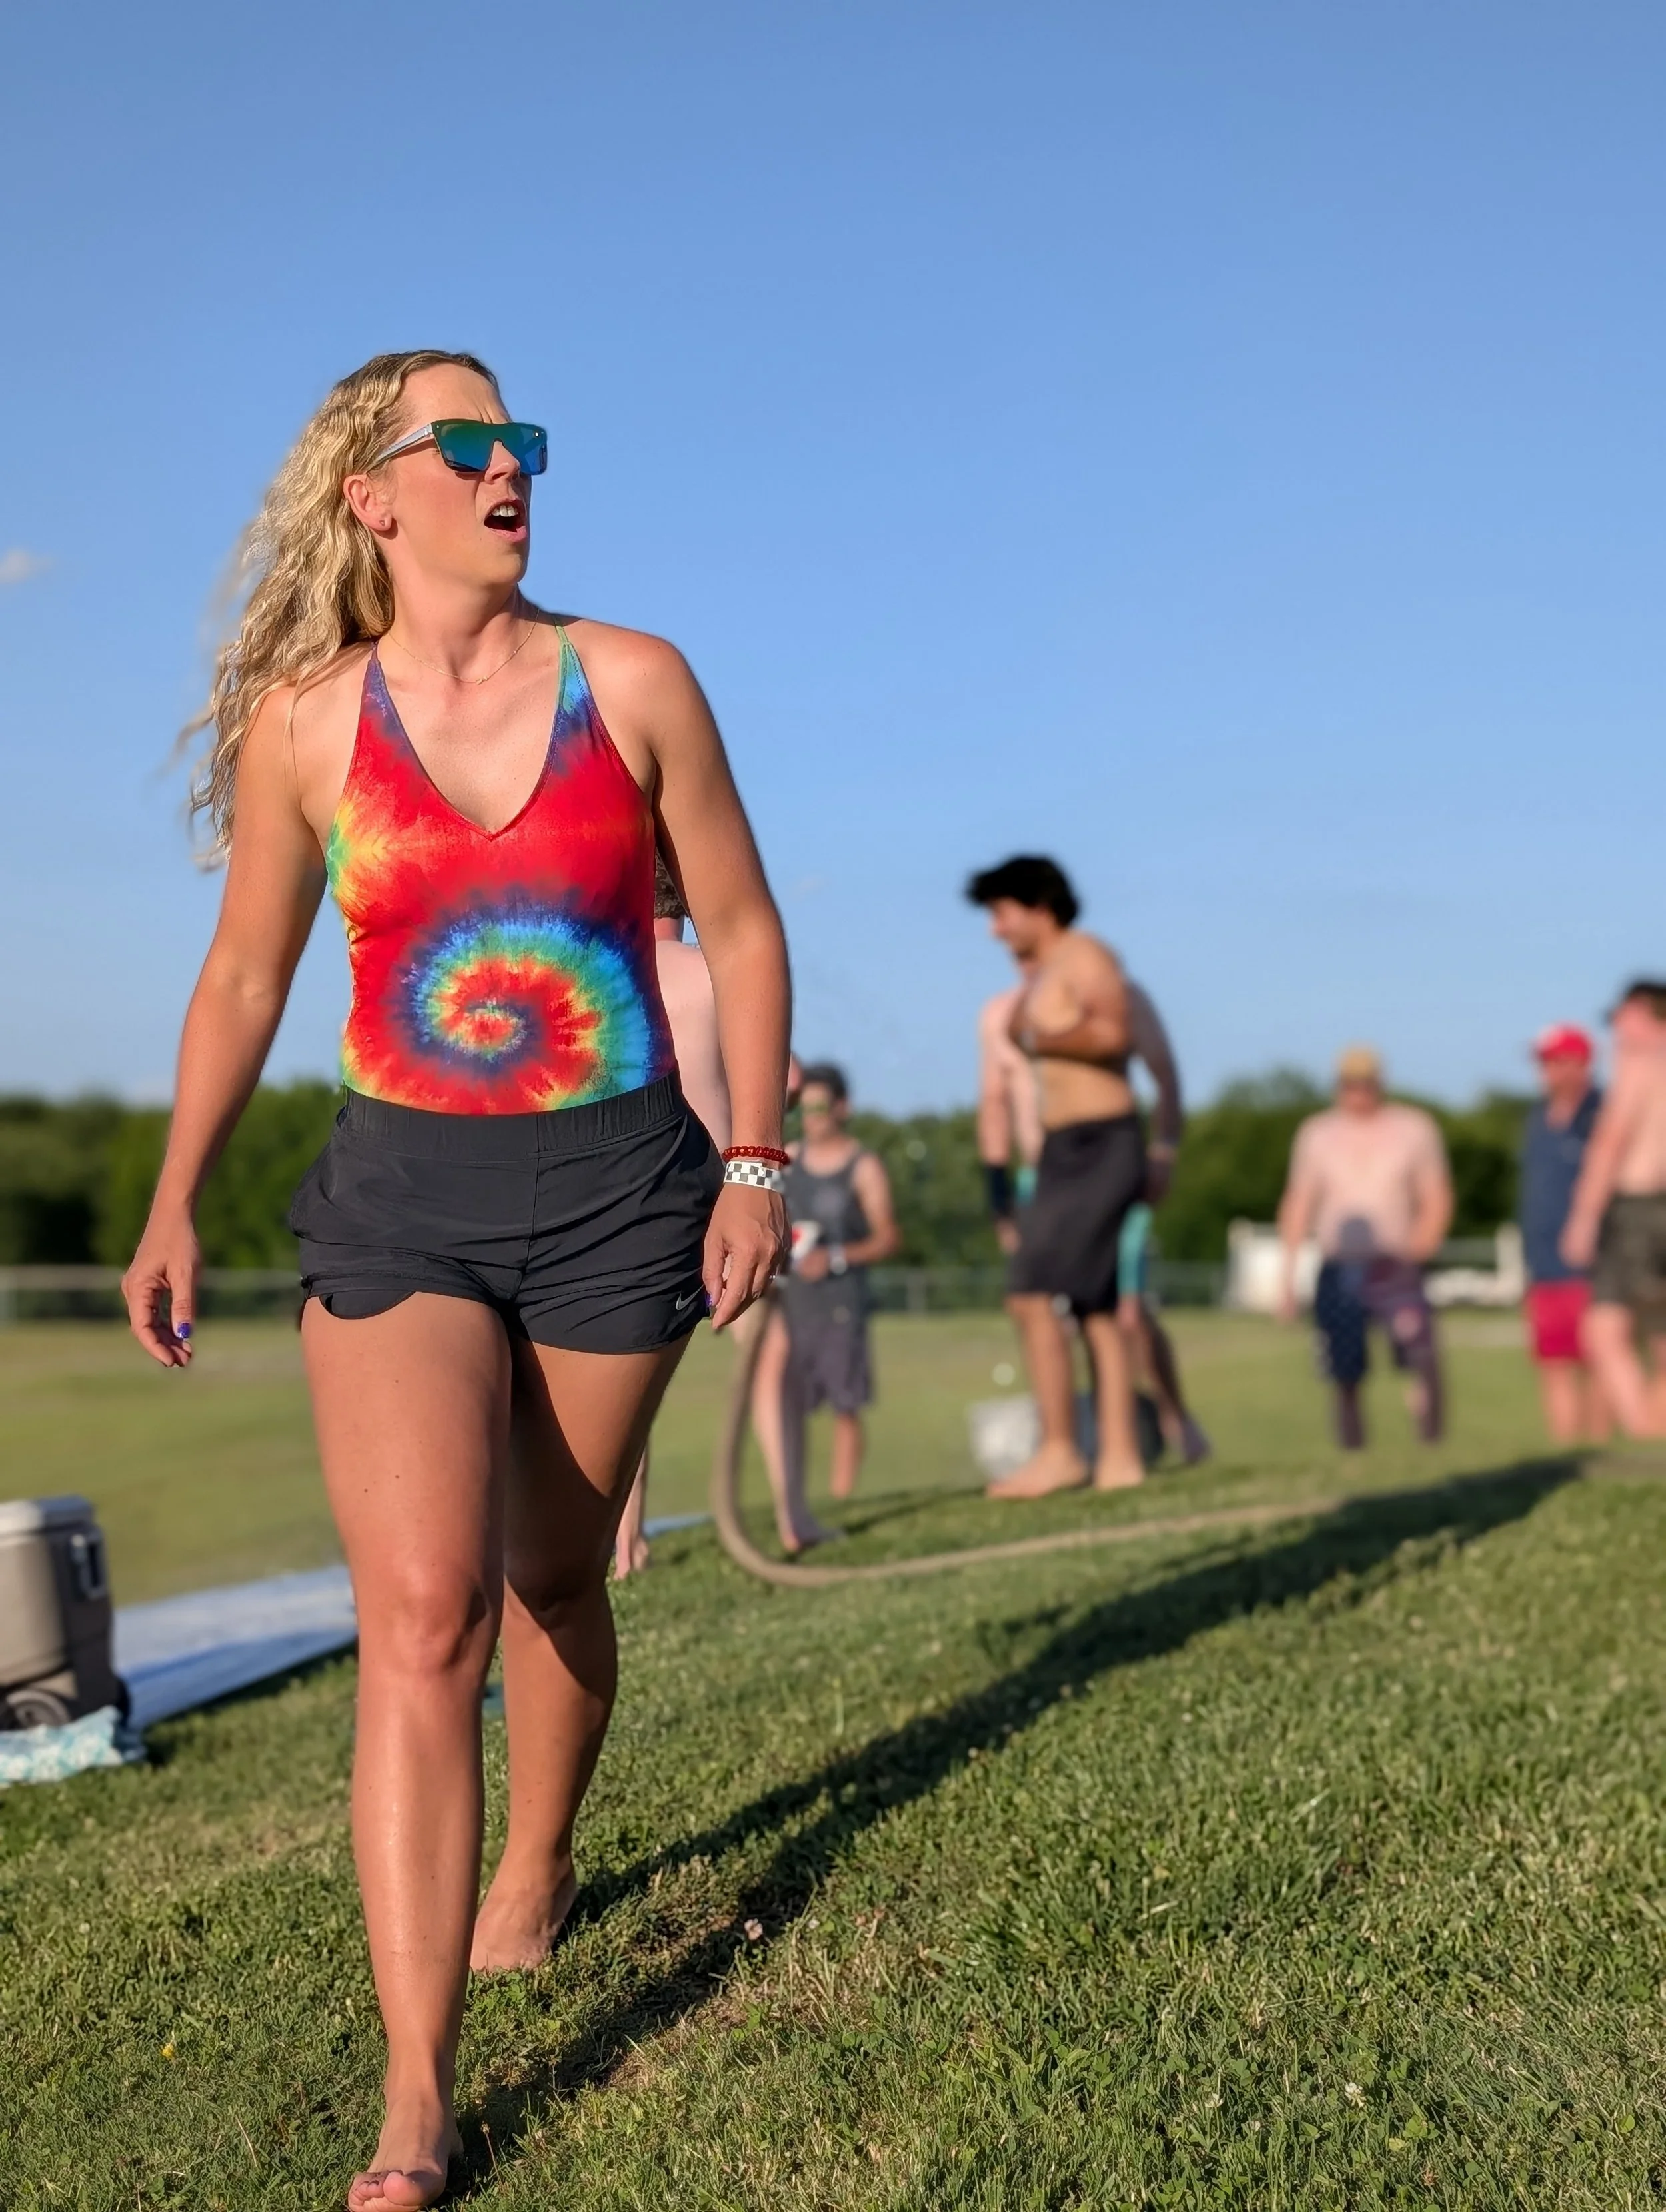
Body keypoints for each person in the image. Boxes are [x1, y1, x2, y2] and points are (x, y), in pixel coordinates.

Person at [119, 350, 790, 2212]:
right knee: (421, 1619)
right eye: (468, 445)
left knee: (547, 1573)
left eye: (524, 445)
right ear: (374, 497)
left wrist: (754, 1161)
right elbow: (246, 976)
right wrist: (176, 1193)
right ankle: (417, 2096)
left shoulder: (633, 681)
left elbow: (734, 920)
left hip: (618, 1195)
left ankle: (543, 1854)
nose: (509, 472)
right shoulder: (307, 726)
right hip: (397, 1200)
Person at [966, 855, 1147, 1495]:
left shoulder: (1085, 956)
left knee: (1030, 1292)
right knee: (1094, 1305)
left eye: (1001, 913)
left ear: (1038, 907)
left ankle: (1061, 1449)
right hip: (1070, 1148)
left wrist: (1039, 1039)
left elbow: (1113, 1035)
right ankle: (1120, 1456)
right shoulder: (1047, 975)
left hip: (1100, 1143)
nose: (995, 929)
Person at [979, 964, 1208, 1465]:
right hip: (1039, 1182)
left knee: (1126, 1311)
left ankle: (1169, 1418)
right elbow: (995, 1106)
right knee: (1042, 1311)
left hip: (1101, 1170)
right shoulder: (1001, 1015)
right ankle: (1069, 1441)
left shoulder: (1115, 997)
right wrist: (1000, 1201)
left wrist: (1163, 1152)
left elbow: (1162, 1074)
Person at [612, 856, 733, 1578]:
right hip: (720, 1179)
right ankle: (791, 1510)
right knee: (767, 1354)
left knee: (620, 1361)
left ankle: (624, 1539)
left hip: (638, 1175)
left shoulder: (607, 970)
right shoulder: (704, 969)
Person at [751, 1063, 900, 1545]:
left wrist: (834, 1257)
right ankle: (795, 1507)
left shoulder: (864, 1165)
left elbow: (887, 1237)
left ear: (842, 1108)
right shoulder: (788, 1158)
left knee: (844, 1403)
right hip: (791, 1302)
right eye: (804, 1107)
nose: (810, 1116)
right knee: (787, 1396)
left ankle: (841, 1498)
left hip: (840, 1300)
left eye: (819, 1106)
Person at [1277, 1046, 1452, 1450]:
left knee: (1420, 1355)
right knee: (1344, 1369)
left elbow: (1436, 1194)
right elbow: (1299, 1202)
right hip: (1340, 1265)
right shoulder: (1317, 1134)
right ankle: (1353, 1453)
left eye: (1365, 1084)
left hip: (1396, 1263)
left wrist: (1424, 1242)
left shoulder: (1413, 1127)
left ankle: (1431, 1443)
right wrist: (1287, 1278)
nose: (1358, 1093)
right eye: (1349, 1085)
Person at [1561, 979, 1666, 1438]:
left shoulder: (1641, 1063)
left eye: (1621, 1017)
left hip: (1636, 1210)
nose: (1616, 1029)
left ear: (1644, 1013)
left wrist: (1583, 1217)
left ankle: (1645, 1433)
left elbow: (1611, 1141)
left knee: (1604, 1333)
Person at [1518, 1022, 1607, 1444]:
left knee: (1599, 1361)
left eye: (1554, 1061)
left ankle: (1600, 1448)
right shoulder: (1537, 1116)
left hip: (1595, 1262)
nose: (1546, 1072)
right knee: (1553, 1362)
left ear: (1580, 1062)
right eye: (1543, 1063)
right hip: (1543, 1263)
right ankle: (1565, 1451)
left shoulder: (1603, 1112)